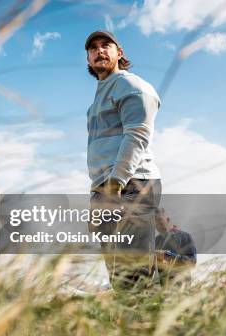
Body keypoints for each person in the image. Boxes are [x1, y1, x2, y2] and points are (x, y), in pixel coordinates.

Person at [84, 30, 162, 291]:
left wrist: (115, 184)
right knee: (118, 275)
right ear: (88, 58)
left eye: (106, 45)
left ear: (120, 53)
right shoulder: (95, 102)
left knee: (134, 275)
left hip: (132, 185)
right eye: (93, 48)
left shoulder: (132, 86)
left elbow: (137, 135)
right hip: (105, 190)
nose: (99, 50)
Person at [154, 208, 197, 286]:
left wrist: (167, 255)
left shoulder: (184, 236)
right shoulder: (155, 241)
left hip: (181, 287)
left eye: (159, 220)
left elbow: (192, 261)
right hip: (163, 288)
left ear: (168, 219)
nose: (157, 224)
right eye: (154, 222)